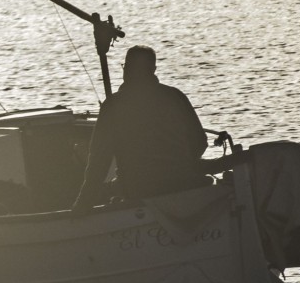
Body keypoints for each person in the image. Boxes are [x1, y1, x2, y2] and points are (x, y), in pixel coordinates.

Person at [72, 45, 208, 213]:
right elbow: (200, 142)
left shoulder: (113, 106)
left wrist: (83, 205)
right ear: (153, 70)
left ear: (126, 69)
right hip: (185, 187)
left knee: (109, 190)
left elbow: (99, 163)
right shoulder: (175, 96)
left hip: (140, 193)